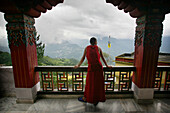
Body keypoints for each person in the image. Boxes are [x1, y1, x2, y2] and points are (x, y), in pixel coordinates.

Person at [74, 37, 112, 106]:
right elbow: (102, 59)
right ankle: (96, 99)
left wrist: (78, 65)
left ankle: (87, 98)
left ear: (90, 42)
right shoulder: (98, 48)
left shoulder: (86, 48)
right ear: (96, 42)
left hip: (91, 68)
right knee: (97, 84)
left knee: (90, 84)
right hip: (98, 68)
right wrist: (107, 66)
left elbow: (83, 58)